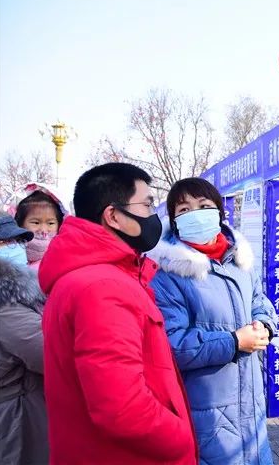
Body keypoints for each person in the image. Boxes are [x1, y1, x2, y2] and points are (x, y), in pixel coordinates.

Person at [38, 163, 197, 465]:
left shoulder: (90, 277)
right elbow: (122, 408)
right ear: (113, 216)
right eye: (147, 205)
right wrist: (181, 439)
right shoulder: (103, 287)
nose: (153, 216)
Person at [149, 177, 276, 465]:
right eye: (184, 209)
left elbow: (260, 302)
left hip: (251, 403)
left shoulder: (240, 261)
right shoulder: (166, 273)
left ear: (219, 212)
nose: (195, 214)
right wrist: (233, 342)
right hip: (205, 409)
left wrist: (264, 326)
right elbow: (170, 344)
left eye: (204, 206)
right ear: (174, 220)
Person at [0, 211, 49, 464]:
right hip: (16, 418)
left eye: (17, 241)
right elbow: (49, 353)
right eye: (3, 242)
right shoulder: (4, 306)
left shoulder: (17, 294)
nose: (14, 247)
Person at [13, 184, 68, 271]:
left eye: (50, 223)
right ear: (20, 224)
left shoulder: (65, 260)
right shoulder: (8, 254)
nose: (43, 230)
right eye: (36, 223)